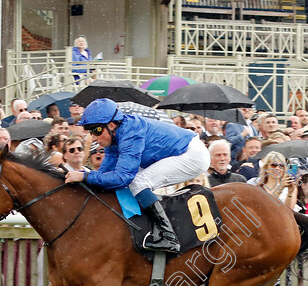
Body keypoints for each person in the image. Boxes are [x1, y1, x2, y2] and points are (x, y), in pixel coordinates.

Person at [65, 98, 210, 253]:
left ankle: (169, 237)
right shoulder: (114, 138)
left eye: (97, 131)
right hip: (181, 150)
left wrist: (84, 177)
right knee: (131, 181)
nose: (93, 138)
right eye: (90, 131)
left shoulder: (130, 133)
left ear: (112, 125)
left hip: (192, 154)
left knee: (137, 182)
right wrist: (81, 175)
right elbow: (104, 174)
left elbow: (122, 177)